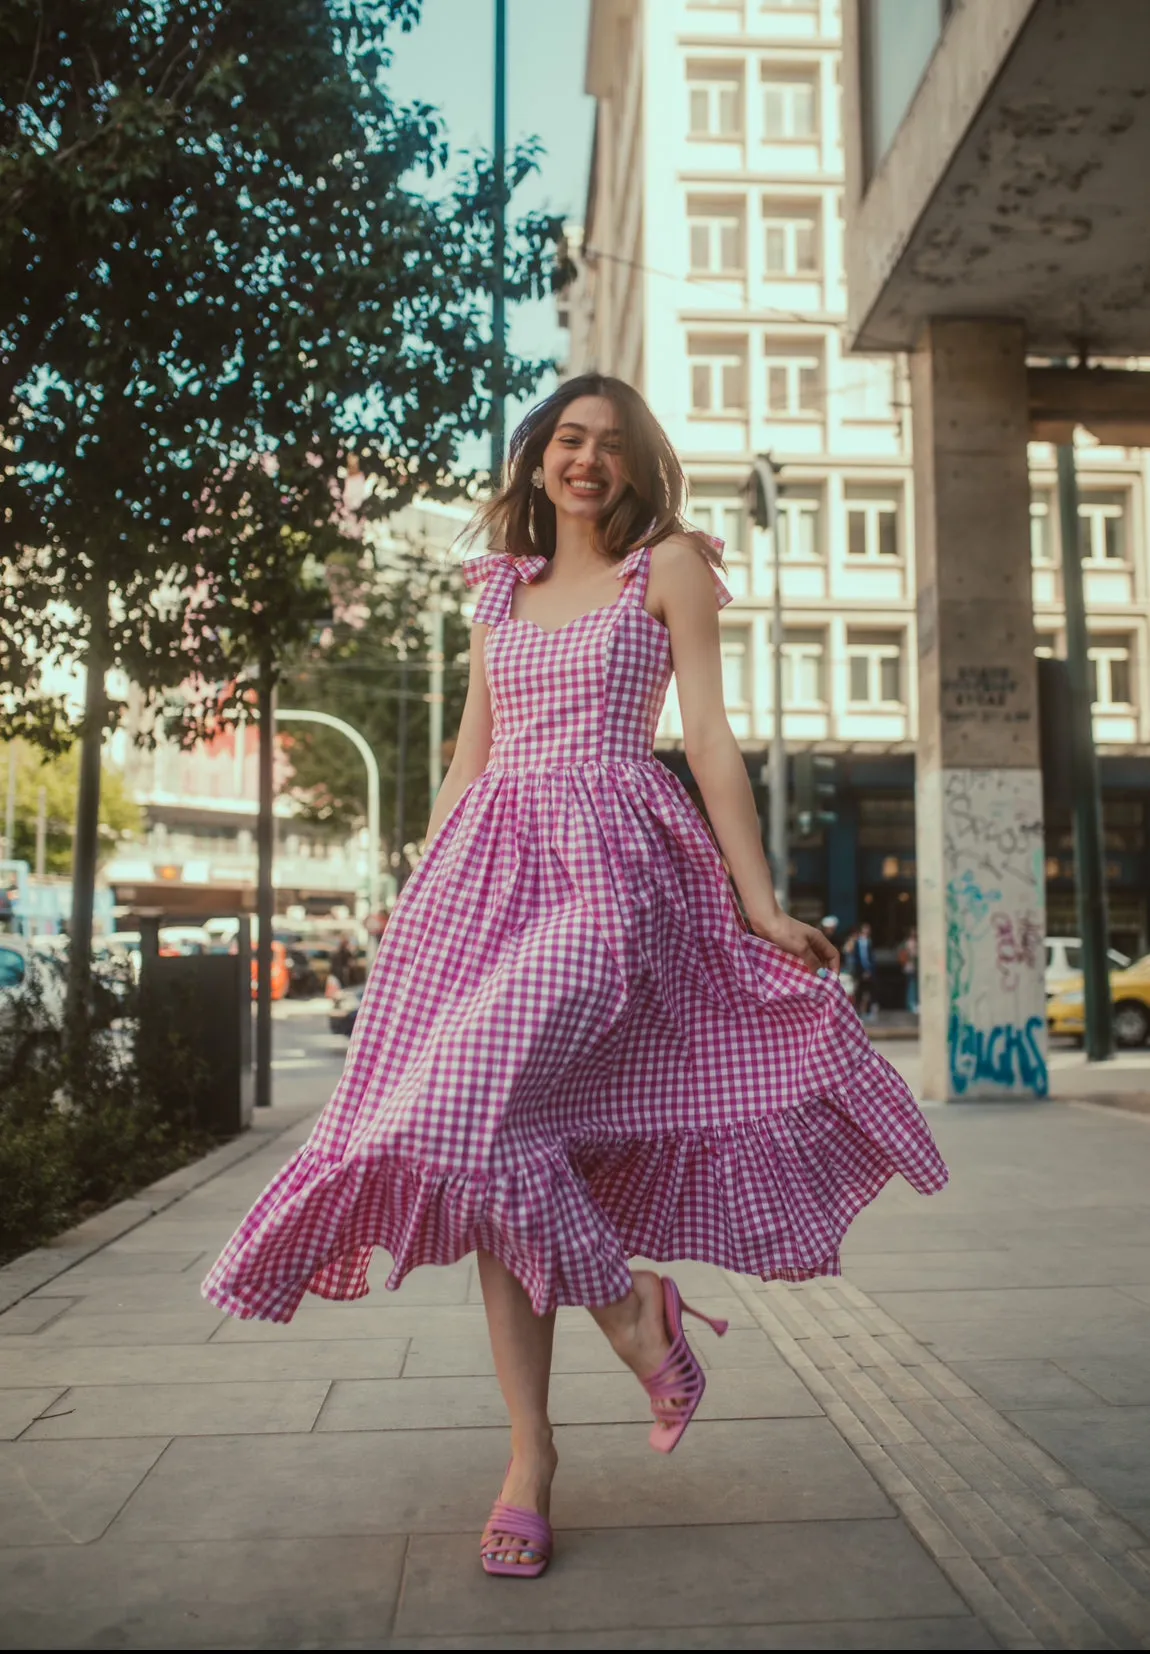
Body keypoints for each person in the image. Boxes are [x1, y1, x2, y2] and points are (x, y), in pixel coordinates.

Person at [202, 374, 947, 1580]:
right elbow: (465, 765)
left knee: (470, 1110)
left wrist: (756, 901)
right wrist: (417, 913)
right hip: (480, 886)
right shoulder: (500, 591)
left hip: (608, 876)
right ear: (537, 458)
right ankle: (530, 1454)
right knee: (496, 1145)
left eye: (608, 444)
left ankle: (628, 1316)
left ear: (637, 464)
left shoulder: (670, 567)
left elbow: (707, 738)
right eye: (566, 439)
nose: (585, 459)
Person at [854, 921, 877, 1022]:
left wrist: (870, 970)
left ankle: (869, 1011)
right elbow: (857, 958)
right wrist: (861, 971)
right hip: (860, 971)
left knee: (870, 991)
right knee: (859, 991)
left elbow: (871, 958)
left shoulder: (870, 942)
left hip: (870, 970)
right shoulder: (857, 943)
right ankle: (858, 1012)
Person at [900, 927, 919, 1016]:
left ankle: (911, 1004)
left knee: (912, 985)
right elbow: (910, 955)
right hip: (910, 967)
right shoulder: (909, 943)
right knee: (911, 985)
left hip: (911, 967)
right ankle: (911, 1004)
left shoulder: (909, 942)